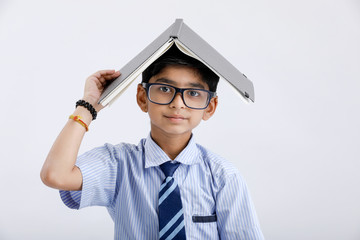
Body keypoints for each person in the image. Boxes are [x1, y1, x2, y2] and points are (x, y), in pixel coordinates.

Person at [40, 46, 264, 239]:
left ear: (210, 107)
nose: (178, 103)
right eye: (165, 89)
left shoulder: (223, 176)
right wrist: (88, 106)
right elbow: (55, 175)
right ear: (141, 97)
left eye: (193, 93)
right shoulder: (118, 165)